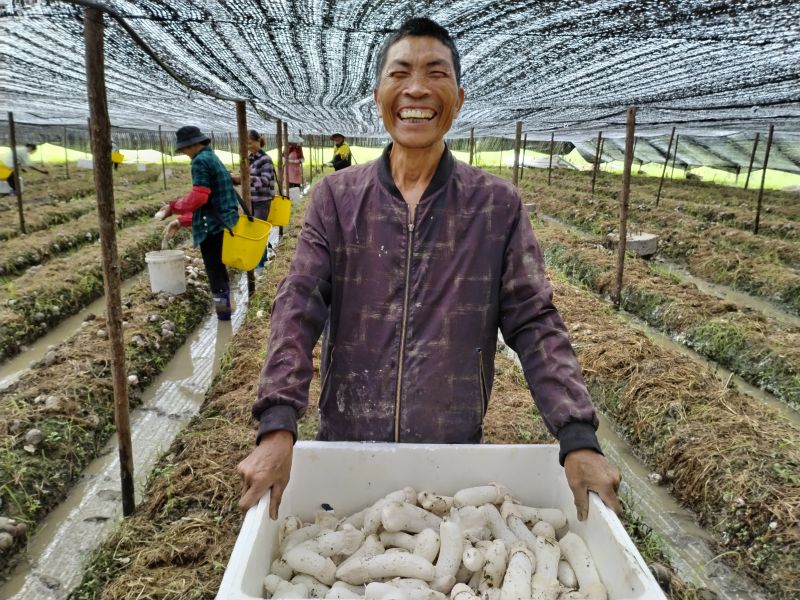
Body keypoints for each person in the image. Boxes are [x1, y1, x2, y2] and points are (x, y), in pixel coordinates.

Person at [238, 17, 622, 523]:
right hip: (348, 444)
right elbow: (298, 306)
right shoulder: (337, 197)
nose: (416, 88)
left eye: (435, 73)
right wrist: (277, 422)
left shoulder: (495, 206)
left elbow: (534, 321)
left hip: (451, 450)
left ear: (457, 99)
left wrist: (577, 436)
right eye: (401, 73)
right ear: (378, 94)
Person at [156, 126, 239, 320]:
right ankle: (226, 309)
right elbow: (210, 203)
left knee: (214, 271)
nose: (184, 153)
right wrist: (181, 220)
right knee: (219, 268)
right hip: (223, 221)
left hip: (214, 226)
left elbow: (200, 197)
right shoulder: (212, 157)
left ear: (192, 145)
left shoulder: (199, 161)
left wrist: (173, 207)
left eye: (184, 149)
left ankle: (223, 317)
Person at [231, 129, 275, 267]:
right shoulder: (249, 159)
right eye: (246, 144)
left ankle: (260, 264)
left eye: (250, 143)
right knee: (251, 232)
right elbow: (245, 179)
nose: (248, 146)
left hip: (262, 201)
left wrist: (246, 179)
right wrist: (236, 179)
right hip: (250, 201)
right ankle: (253, 259)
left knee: (258, 232)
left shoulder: (265, 159)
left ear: (258, 141)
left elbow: (266, 180)